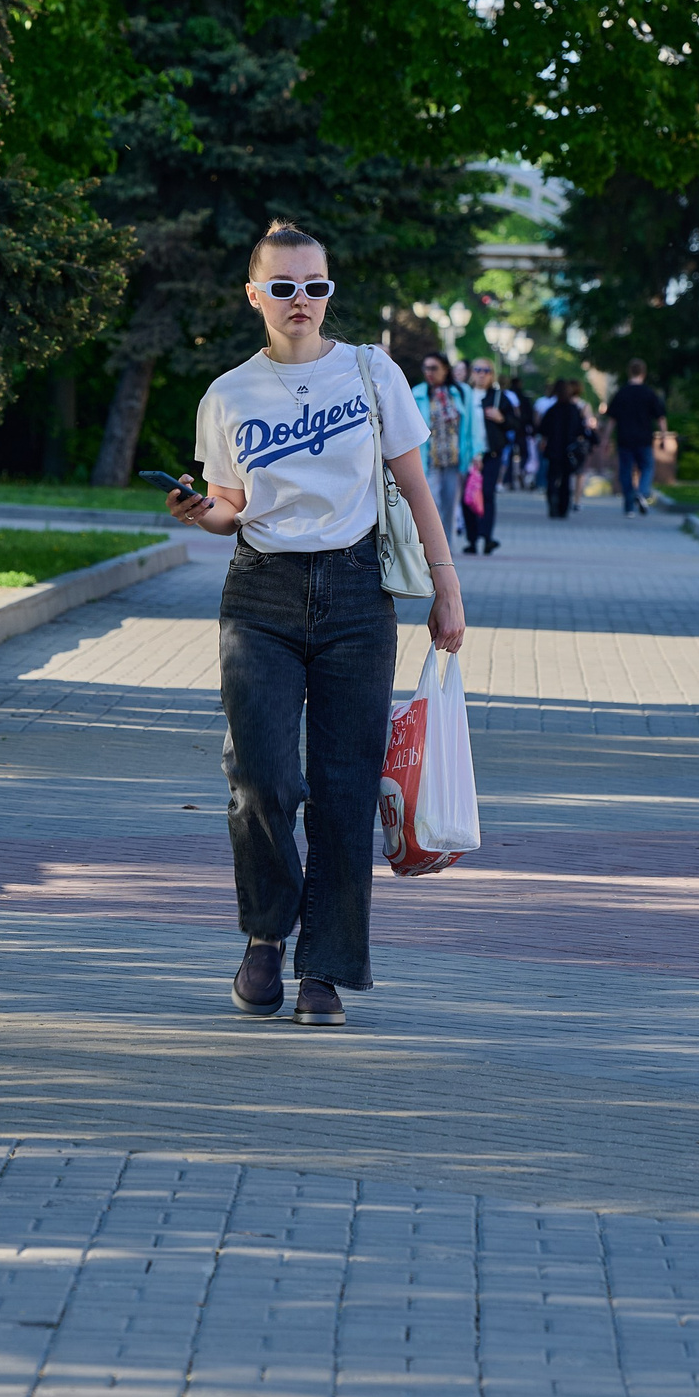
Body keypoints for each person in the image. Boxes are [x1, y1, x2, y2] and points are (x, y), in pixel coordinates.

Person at [162, 220, 465, 1030]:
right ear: (255, 293)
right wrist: (204, 512)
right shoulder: (228, 393)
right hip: (260, 593)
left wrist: (447, 586)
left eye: (317, 287)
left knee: (342, 791)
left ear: (330, 291)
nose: (303, 302)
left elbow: (416, 485)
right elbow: (230, 507)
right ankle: (267, 933)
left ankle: (323, 971)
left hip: (359, 594)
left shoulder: (371, 374)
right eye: (286, 287)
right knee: (261, 778)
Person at [411, 353, 479, 542]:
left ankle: (446, 549)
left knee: (450, 505)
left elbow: (473, 426)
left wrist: (476, 454)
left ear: (445, 369)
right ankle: (429, 547)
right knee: (431, 504)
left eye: (434, 368)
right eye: (426, 368)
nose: (429, 373)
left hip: (454, 458)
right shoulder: (418, 393)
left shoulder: (461, 392)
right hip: (428, 458)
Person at [465, 358, 514, 555]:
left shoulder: (499, 397)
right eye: (477, 369)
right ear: (471, 372)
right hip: (468, 455)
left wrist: (501, 418)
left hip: (491, 453)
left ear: (492, 375)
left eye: (486, 370)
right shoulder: (465, 395)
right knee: (468, 497)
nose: (482, 374)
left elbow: (516, 423)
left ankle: (486, 538)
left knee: (486, 493)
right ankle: (472, 539)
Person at [607, 358, 668, 515]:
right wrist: (663, 437)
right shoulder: (649, 393)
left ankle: (629, 507)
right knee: (647, 467)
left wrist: (606, 439)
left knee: (625, 471)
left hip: (624, 438)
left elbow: (612, 419)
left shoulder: (621, 393)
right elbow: (660, 417)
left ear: (629, 372)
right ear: (644, 373)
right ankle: (642, 491)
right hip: (644, 438)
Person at [538, 377, 592, 520]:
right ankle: (563, 508)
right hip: (569, 451)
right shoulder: (574, 410)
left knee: (552, 478)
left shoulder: (552, 410)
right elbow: (581, 430)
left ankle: (553, 505)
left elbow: (542, 429)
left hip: (554, 449)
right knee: (566, 480)